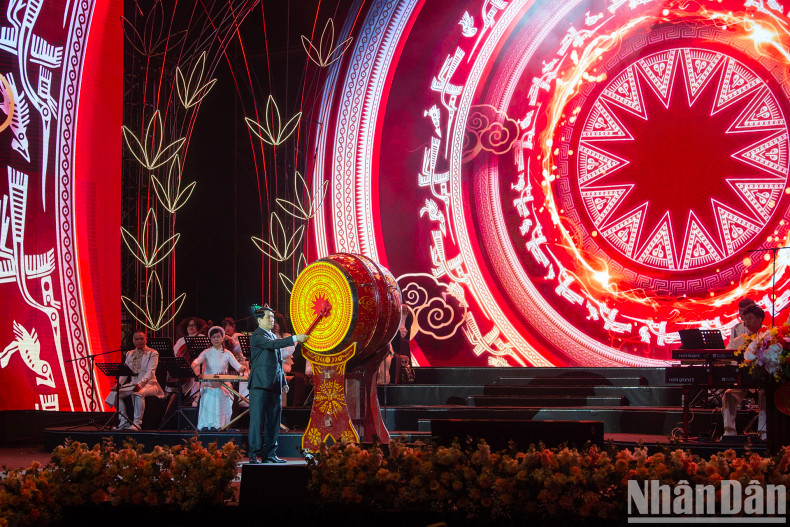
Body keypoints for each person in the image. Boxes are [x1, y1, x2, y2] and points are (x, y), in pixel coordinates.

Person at [247, 306, 308, 464]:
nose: (271, 320)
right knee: (256, 422)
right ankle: (253, 455)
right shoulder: (257, 336)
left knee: (274, 421)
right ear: (259, 320)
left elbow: (277, 361)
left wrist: (282, 382)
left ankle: (270, 454)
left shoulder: (272, 335)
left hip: (274, 385)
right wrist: (295, 338)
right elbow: (273, 346)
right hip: (259, 385)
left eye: (272, 317)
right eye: (268, 317)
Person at [723, 303, 767, 439]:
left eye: (750, 318)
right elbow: (725, 356)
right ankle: (729, 431)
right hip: (742, 382)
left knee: (766, 393)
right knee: (728, 395)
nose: (746, 322)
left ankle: (763, 432)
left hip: (762, 382)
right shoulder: (739, 340)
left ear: (760, 319)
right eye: (745, 319)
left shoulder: (768, 336)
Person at [104, 331, 165, 430]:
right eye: (137, 339)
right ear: (133, 341)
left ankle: (137, 423)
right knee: (114, 394)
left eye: (142, 339)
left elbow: (150, 372)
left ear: (146, 339)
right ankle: (124, 421)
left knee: (139, 393)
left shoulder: (153, 353)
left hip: (150, 384)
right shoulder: (129, 353)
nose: (139, 341)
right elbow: (125, 372)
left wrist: (140, 384)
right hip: (133, 384)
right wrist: (119, 383)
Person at [191, 326, 246, 431]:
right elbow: (197, 361)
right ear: (210, 339)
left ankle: (222, 424)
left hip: (223, 384)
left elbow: (238, 366)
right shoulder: (206, 352)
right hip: (208, 383)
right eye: (214, 337)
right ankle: (208, 424)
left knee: (221, 392)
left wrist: (243, 368)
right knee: (209, 393)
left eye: (218, 337)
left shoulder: (227, 353)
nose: (216, 339)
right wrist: (194, 366)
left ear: (222, 338)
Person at [171, 316, 206, 403]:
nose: (191, 327)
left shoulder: (202, 337)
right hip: (183, 365)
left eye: (193, 325)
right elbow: (175, 354)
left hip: (198, 366)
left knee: (193, 373)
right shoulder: (181, 340)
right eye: (189, 325)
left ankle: (194, 398)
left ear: (198, 327)